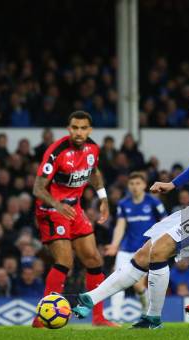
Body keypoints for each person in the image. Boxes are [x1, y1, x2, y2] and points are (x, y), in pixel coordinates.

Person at [72, 92, 189, 329]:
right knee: (144, 253)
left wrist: (173, 183)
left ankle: (154, 318)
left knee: (159, 251)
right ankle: (92, 298)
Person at [31, 111, 117, 327]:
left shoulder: (93, 148)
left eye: (83, 128)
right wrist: (58, 205)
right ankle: (41, 319)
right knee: (65, 261)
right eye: (75, 128)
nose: (79, 132)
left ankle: (98, 318)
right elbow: (38, 188)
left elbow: (94, 172)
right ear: (69, 129)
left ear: (90, 130)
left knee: (94, 259)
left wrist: (103, 197)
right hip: (51, 210)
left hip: (74, 209)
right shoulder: (57, 151)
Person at [104, 171, 167, 322]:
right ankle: (116, 318)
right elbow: (120, 226)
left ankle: (146, 310)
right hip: (126, 249)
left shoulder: (153, 202)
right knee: (117, 280)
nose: (135, 187)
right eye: (132, 184)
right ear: (128, 186)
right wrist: (114, 245)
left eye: (138, 183)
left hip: (145, 250)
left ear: (145, 185)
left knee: (138, 286)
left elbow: (165, 222)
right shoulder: (124, 204)